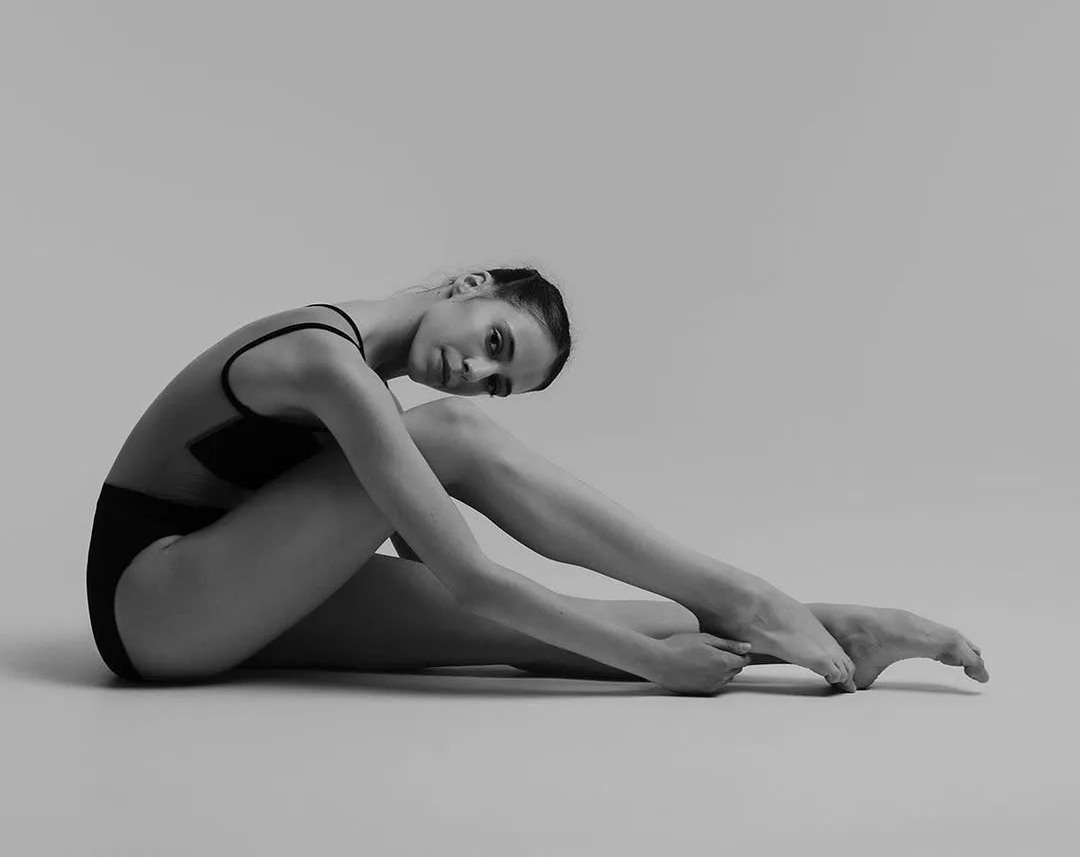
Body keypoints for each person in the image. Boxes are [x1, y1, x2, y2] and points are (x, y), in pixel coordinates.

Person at [86, 267, 989, 695]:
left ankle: (831, 629)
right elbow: (471, 576)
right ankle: (744, 596)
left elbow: (444, 566)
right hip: (156, 598)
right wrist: (655, 671)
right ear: (469, 284)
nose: (476, 373)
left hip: (233, 585)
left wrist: (492, 621)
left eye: (497, 381)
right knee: (453, 444)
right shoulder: (328, 362)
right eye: (495, 343)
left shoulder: (365, 384)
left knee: (565, 630)